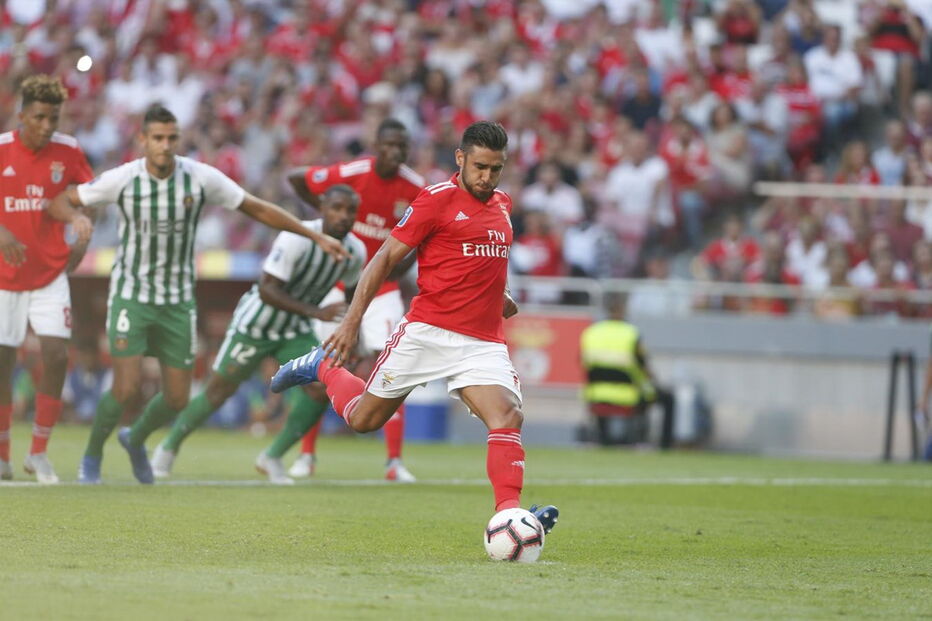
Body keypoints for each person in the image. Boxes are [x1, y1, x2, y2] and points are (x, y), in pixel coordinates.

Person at [270, 121, 559, 534]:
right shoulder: (434, 200)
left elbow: (489, 259)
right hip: (427, 332)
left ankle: (510, 516)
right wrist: (351, 322)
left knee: (508, 416)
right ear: (460, 159)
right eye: (479, 167)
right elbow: (384, 259)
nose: (486, 177)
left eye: (495, 169)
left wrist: (504, 293)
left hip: (482, 342)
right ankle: (324, 367)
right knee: (364, 420)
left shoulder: (503, 205)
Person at [47, 104, 348, 484]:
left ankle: (136, 438)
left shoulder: (199, 177)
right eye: (158, 138)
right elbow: (63, 199)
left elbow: (255, 207)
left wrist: (314, 235)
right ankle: (91, 456)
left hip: (178, 302)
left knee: (178, 398)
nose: (165, 145)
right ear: (143, 140)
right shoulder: (123, 178)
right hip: (132, 295)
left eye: (172, 138)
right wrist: (76, 217)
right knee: (125, 387)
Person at [130, 185, 364, 484]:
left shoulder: (356, 251)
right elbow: (267, 290)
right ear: (322, 208)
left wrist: (352, 333)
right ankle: (168, 447)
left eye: (350, 210)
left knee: (319, 387)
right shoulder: (297, 237)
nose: (343, 216)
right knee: (219, 390)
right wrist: (317, 312)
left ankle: (273, 456)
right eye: (336, 208)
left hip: (295, 330)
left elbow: (352, 296)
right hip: (255, 325)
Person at [284, 118, 424, 482]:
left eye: (402, 147)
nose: (395, 152)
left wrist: (401, 265)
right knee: (324, 363)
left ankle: (393, 462)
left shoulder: (415, 187)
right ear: (376, 146)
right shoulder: (354, 172)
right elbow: (297, 177)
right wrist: (327, 217)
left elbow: (428, 232)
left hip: (383, 290)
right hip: (339, 283)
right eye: (389, 145)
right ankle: (306, 455)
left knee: (391, 366)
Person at [0, 75, 94, 483]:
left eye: (53, 118)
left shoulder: (69, 150)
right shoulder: (1, 149)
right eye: (38, 117)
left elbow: (89, 193)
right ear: (22, 115)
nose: (46, 125)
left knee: (56, 355)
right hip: (4, 277)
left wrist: (82, 228)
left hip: (50, 273)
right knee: (3, 363)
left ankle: (38, 452)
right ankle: (2, 455)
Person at [579, 293, 673, 448]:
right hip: (628, 393)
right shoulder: (630, 333)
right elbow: (643, 366)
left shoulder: (591, 332)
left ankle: (604, 438)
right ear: (622, 310)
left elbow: (583, 363)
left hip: (596, 393)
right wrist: (654, 383)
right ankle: (658, 444)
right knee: (667, 398)